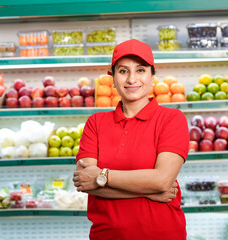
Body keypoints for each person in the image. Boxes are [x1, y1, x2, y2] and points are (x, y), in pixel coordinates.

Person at [73, 39, 189, 240]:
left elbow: (162, 181)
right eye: (123, 71)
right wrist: (148, 192)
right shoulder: (95, 123)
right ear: (113, 77)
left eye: (141, 70)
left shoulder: (172, 119)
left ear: (152, 75)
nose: (131, 79)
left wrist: (102, 177)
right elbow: (85, 183)